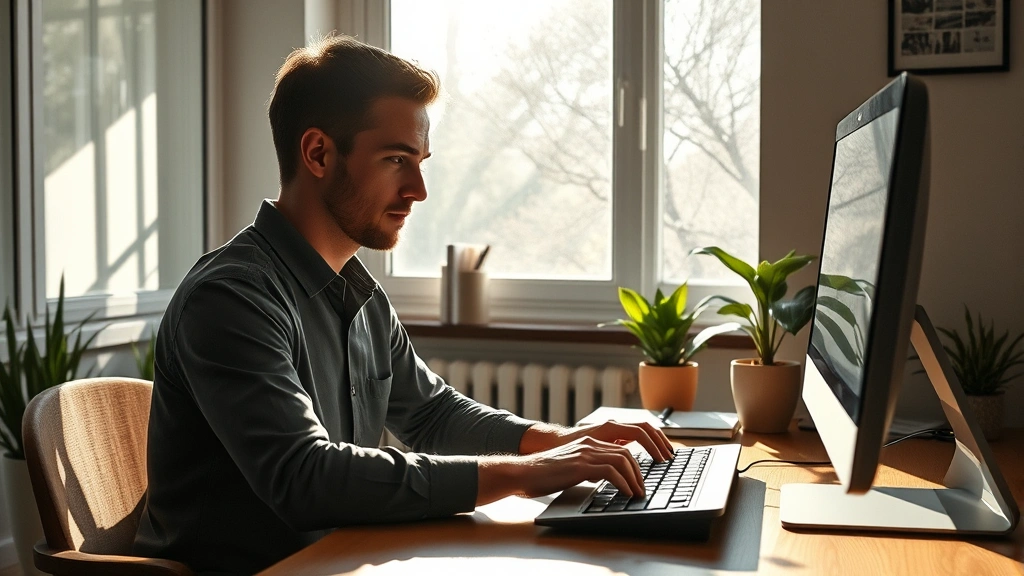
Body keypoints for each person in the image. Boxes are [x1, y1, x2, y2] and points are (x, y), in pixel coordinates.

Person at [133, 34, 674, 575]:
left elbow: (433, 414)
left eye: (421, 162)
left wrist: (557, 441)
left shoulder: (359, 293)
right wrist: (526, 473)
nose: (418, 189)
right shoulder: (232, 298)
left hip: (343, 561)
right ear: (318, 153)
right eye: (396, 159)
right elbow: (303, 476)